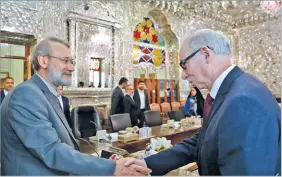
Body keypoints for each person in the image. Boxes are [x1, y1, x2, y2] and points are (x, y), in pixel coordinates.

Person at [124, 29, 281, 175]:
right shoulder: (231, 90)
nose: (183, 75)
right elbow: (201, 141)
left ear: (206, 54)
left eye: (184, 65)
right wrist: (145, 164)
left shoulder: (243, 101)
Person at [0, 37, 151, 176]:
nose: (71, 68)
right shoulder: (27, 94)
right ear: (43, 61)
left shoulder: (47, 94)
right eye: (65, 61)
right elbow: (52, 151)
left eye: (72, 62)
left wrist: (102, 162)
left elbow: (64, 145)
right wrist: (112, 168)